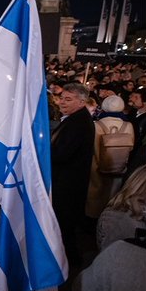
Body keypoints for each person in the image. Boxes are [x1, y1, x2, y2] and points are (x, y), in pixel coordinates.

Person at [50, 82, 95, 266]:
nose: (62, 103)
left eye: (68, 99)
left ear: (82, 102)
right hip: (67, 182)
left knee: (64, 227)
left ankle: (67, 265)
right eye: (61, 98)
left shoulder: (78, 123)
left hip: (68, 185)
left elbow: (61, 154)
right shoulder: (75, 119)